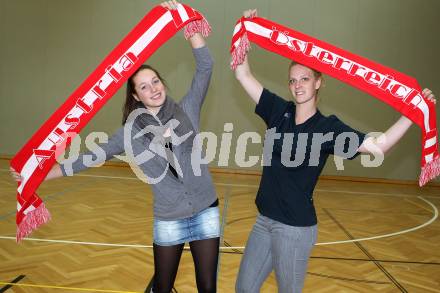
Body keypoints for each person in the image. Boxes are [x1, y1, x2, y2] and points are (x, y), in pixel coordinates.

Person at [11, 2, 219, 292]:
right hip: (169, 218)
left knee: (208, 288)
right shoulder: (129, 133)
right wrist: (39, 175)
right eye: (144, 86)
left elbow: (205, 67)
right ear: (136, 95)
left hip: (205, 210)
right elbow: (87, 158)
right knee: (162, 286)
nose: (153, 88)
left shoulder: (188, 109)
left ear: (163, 83)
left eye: (155, 81)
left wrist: (188, 25)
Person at [233, 9, 436, 293]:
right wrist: (245, 28)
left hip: (294, 229)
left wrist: (410, 114)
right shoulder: (278, 110)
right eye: (292, 80)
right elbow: (242, 73)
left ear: (318, 82)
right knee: (243, 289)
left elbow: (379, 147)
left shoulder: (328, 128)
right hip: (264, 221)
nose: (297, 85)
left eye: (304, 79)